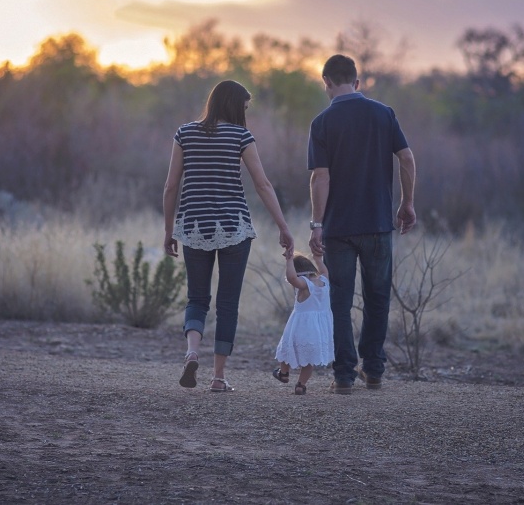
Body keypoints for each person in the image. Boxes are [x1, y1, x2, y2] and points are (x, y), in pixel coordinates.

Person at [163, 79, 294, 393]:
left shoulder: (184, 133)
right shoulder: (241, 136)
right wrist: (283, 226)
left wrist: (169, 231)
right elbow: (262, 185)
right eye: (245, 107)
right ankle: (218, 377)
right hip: (234, 227)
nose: (245, 114)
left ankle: (192, 351)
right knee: (228, 304)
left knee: (197, 298)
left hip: (193, 226)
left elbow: (170, 187)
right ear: (235, 106)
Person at [307, 54, 416, 395]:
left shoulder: (322, 122)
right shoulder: (383, 114)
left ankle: (343, 376)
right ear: (357, 81)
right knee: (378, 297)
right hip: (379, 223)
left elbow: (319, 178)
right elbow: (407, 158)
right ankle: (374, 369)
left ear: (326, 83)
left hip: (339, 228)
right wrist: (407, 202)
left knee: (339, 300)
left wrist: (316, 224)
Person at [273, 252, 334, 395]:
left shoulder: (305, 284)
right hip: (318, 330)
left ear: (299, 273)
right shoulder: (324, 281)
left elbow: (292, 278)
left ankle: (284, 373)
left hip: (301, 327)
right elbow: (324, 270)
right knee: (309, 359)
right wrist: (318, 259)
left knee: (287, 349)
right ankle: (301, 385)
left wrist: (289, 261)